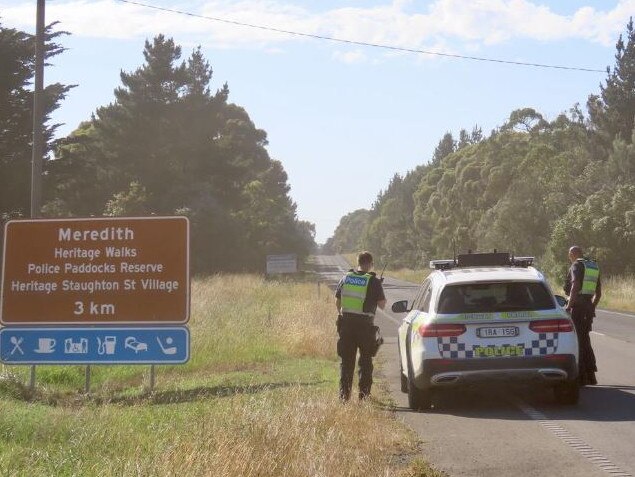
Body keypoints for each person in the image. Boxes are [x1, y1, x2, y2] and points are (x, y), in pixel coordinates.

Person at [335, 251, 386, 401]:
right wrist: (377, 290)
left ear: (358, 262)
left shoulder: (346, 278)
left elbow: (337, 302)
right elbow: (382, 305)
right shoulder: (374, 281)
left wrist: (344, 315)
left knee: (346, 362)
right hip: (365, 327)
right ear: (370, 264)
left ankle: (344, 397)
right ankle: (363, 398)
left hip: (347, 325)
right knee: (365, 362)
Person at [563, 245, 602, 386]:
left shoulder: (576, 265)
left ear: (573, 254)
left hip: (578, 307)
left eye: (569, 255)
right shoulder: (593, 266)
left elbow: (575, 286)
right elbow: (599, 293)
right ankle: (590, 374)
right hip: (588, 307)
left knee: (577, 340)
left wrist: (568, 307)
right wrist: (592, 307)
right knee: (584, 339)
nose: (569, 258)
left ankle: (582, 376)